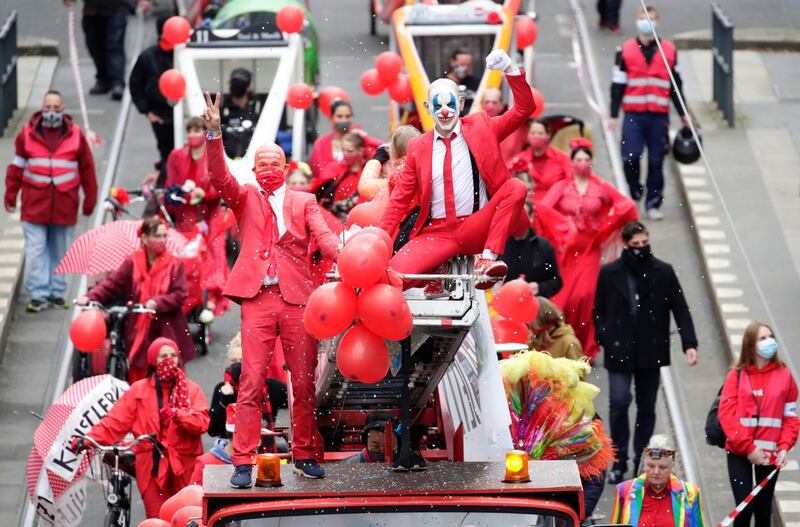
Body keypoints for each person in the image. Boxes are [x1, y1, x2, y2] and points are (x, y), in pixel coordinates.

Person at [203, 91, 341, 485]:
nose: (267, 168)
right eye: (261, 163)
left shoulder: (304, 200)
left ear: (286, 165)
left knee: (303, 381)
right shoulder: (243, 197)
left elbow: (324, 237)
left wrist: (344, 254)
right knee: (250, 381)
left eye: (273, 163)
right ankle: (243, 460)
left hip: (298, 298)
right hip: (258, 299)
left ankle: (304, 452)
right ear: (254, 167)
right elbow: (218, 177)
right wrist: (215, 135)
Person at [379, 49, 534, 288]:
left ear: (461, 103)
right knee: (390, 279)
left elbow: (524, 109)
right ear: (427, 107)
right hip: (436, 233)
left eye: (450, 103)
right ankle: (437, 268)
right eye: (437, 105)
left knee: (516, 187)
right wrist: (377, 240)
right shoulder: (418, 147)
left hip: (475, 225)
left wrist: (510, 70)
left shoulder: (483, 126)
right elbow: (399, 201)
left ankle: (487, 260)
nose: (444, 111)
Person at [593, 221, 697, 484]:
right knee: (619, 401)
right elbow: (599, 311)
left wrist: (689, 343)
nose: (641, 248)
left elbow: (680, 307)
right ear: (626, 244)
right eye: (636, 244)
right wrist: (605, 337)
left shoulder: (663, 271)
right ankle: (618, 459)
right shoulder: (610, 273)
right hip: (620, 350)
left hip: (650, 349)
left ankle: (641, 457)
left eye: (644, 243)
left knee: (646, 406)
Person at [76, 338, 209, 518]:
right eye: (163, 356)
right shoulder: (138, 391)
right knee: (156, 517)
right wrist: (88, 439)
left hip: (185, 466)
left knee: (186, 515)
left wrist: (179, 416)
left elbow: (202, 423)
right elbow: (115, 422)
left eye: (173, 355)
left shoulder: (192, 390)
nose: (169, 360)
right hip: (151, 466)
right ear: (154, 360)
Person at [541, 139, 637, 361]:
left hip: (590, 249)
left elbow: (626, 205)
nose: (582, 163)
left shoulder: (601, 187)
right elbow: (544, 210)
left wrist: (605, 226)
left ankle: (585, 348)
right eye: (578, 159)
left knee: (585, 297)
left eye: (586, 159)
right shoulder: (562, 187)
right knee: (563, 298)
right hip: (566, 250)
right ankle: (563, 344)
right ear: (571, 161)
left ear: (592, 162)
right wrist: (562, 229)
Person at [5, 90, 98, 312]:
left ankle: (56, 292)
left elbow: (87, 170)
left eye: (56, 108)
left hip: (64, 205)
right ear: (41, 108)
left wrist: (89, 201)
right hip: (34, 205)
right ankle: (38, 294)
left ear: (63, 109)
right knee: (36, 251)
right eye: (48, 108)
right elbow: (16, 167)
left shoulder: (76, 135)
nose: (52, 112)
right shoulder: (26, 134)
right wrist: (10, 194)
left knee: (60, 251)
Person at [77, 216, 194, 382]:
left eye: (164, 236)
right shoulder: (132, 262)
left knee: (168, 373)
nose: (161, 240)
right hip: (138, 329)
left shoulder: (175, 264)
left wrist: (157, 303)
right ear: (145, 238)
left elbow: (180, 294)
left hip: (165, 327)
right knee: (138, 376)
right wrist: (90, 297)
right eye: (157, 236)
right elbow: (112, 284)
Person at [609, 5, 689, 221]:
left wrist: (684, 114)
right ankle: (635, 190)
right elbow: (617, 85)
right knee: (630, 158)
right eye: (643, 17)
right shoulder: (624, 50)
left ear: (657, 22)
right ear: (637, 20)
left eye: (651, 18)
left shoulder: (669, 51)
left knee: (656, 162)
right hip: (633, 116)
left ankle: (653, 202)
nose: (647, 21)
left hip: (658, 116)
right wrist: (613, 115)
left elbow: (676, 86)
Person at [719, 322, 799, 527]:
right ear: (750, 344)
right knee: (744, 507)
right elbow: (727, 415)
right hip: (739, 451)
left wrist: (784, 447)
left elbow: (790, 416)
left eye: (771, 336)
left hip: (770, 454)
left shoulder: (785, 376)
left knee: (764, 511)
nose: (769, 341)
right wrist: (749, 447)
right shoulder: (736, 375)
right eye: (762, 338)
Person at [164, 116, 230, 315]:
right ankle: (186, 296)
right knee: (187, 257)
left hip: (210, 216)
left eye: (197, 130)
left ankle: (210, 297)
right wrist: (176, 195)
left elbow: (220, 185)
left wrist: (205, 195)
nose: (193, 134)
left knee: (213, 254)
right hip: (186, 217)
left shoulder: (213, 156)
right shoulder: (177, 156)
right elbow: (169, 185)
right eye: (190, 130)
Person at [610, 435, 705, 527]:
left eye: (662, 467)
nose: (656, 472)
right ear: (644, 465)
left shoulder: (690, 493)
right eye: (651, 466)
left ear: (672, 466)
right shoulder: (624, 490)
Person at [63, 0, 139, 100]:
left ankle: (117, 82)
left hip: (117, 7)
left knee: (114, 45)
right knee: (94, 45)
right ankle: (103, 79)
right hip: (92, 9)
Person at [130, 15, 174, 184]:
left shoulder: (182, 52)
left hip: (182, 115)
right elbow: (135, 84)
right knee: (166, 153)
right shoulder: (148, 57)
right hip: (160, 116)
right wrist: (147, 111)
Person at [500, 201, 562, 298]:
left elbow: (556, 281)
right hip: (503, 305)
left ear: (531, 217)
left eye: (523, 216)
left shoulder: (543, 246)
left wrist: (539, 288)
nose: (519, 220)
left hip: (534, 305)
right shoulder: (500, 245)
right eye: (515, 216)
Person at [308, 100, 383, 179]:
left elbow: (383, 150)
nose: (344, 120)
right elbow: (318, 174)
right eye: (339, 116)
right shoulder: (321, 144)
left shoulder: (359, 139)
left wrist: (366, 138)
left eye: (347, 116)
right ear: (331, 118)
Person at [507, 120, 573, 202]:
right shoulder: (518, 160)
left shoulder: (562, 158)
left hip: (555, 207)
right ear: (527, 135)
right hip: (527, 208)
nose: (536, 136)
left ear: (548, 135)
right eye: (533, 133)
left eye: (540, 133)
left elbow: (571, 184)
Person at [313, 132, 368, 218]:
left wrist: (366, 138)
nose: (345, 154)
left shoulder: (366, 173)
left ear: (361, 151)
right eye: (343, 150)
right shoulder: (333, 167)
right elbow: (315, 189)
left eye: (350, 151)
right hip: (329, 216)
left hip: (354, 218)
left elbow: (382, 147)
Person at [220, 68, 262, 159]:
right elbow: (212, 135)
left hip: (251, 161)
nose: (236, 86)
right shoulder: (222, 110)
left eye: (240, 83)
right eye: (234, 83)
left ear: (247, 87)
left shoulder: (257, 109)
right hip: (226, 162)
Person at [191, 403, 235, 485]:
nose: (259, 438)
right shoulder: (206, 463)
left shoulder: (259, 462)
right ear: (235, 433)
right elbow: (193, 496)